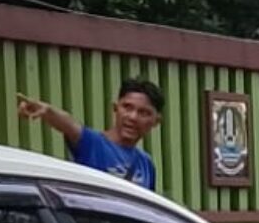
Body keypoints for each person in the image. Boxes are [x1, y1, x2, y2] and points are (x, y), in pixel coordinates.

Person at [17, 80, 164, 190]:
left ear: (156, 121)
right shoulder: (93, 144)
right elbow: (70, 125)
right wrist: (47, 111)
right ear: (115, 108)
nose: (132, 117)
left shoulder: (146, 164)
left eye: (143, 113)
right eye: (127, 107)